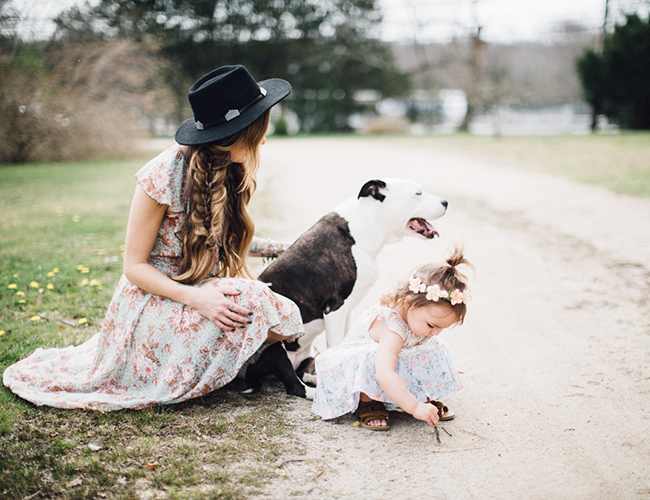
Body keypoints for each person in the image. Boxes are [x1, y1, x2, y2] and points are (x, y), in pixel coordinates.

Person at [3, 65, 304, 411]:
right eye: (258, 131)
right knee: (249, 300)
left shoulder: (230, 168)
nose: (264, 139)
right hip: (154, 297)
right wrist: (197, 299)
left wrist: (288, 247)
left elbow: (223, 240)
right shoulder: (161, 174)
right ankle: (211, 361)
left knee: (275, 310)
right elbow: (134, 266)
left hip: (195, 290)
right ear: (235, 134)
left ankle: (223, 360)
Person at [311, 248, 472, 431]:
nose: (436, 332)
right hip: (362, 370)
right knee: (373, 356)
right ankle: (369, 402)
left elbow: (423, 346)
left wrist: (439, 366)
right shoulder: (391, 328)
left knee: (432, 345)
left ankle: (419, 396)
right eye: (432, 325)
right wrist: (415, 408)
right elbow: (384, 373)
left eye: (442, 327)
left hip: (391, 364)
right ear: (410, 304)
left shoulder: (418, 322)